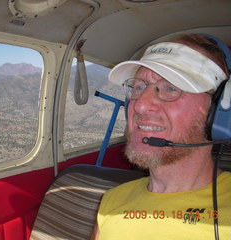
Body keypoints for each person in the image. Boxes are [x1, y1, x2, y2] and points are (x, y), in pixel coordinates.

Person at [91, 34, 231, 239]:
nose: (139, 105)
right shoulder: (112, 200)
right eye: (138, 87)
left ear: (218, 111)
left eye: (170, 88)